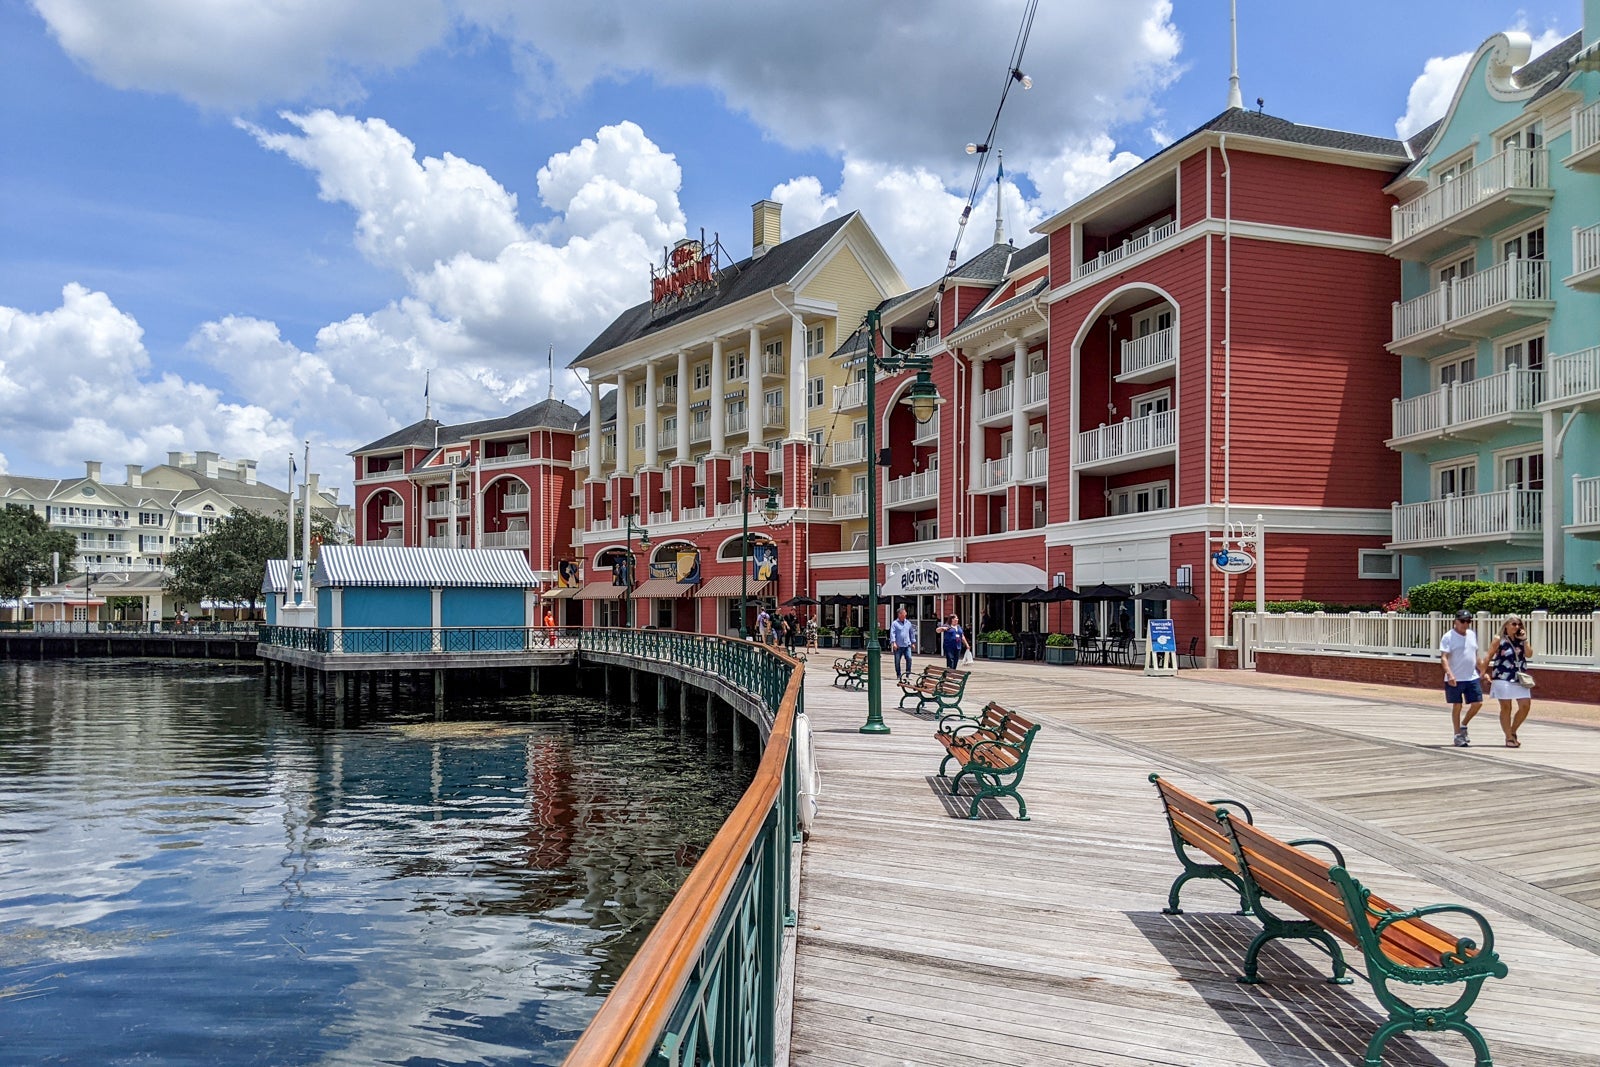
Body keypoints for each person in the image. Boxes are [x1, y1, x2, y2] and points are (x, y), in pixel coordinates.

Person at [1486, 615, 1535, 748]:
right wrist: (1483, 672)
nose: (1517, 627)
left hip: (1518, 676)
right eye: (1514, 624)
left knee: (1525, 705)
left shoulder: (1521, 640)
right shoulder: (1499, 639)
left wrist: (1525, 640)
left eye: (1519, 624)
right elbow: (1489, 655)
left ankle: (1512, 731)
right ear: (1506, 625)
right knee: (1506, 707)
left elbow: (1529, 654)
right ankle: (1508, 737)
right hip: (1502, 676)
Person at [1440, 609, 1486, 747]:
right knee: (1457, 705)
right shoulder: (1448, 637)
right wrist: (1450, 674)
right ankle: (1457, 734)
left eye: (1468, 621)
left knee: (1477, 703)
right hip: (1456, 677)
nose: (1465, 624)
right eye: (1462, 621)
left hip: (1471, 676)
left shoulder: (1472, 634)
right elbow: (1444, 657)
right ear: (1455, 621)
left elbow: (1475, 654)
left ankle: (1463, 725)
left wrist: (1482, 670)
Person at [890, 607, 916, 683]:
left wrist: (913, 642)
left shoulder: (908, 623)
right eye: (904, 613)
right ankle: (898, 674)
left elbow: (912, 633)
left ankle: (908, 673)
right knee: (897, 661)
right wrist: (894, 642)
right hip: (898, 645)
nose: (906, 614)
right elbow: (892, 633)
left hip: (907, 645)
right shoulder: (895, 623)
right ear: (899, 614)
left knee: (909, 658)